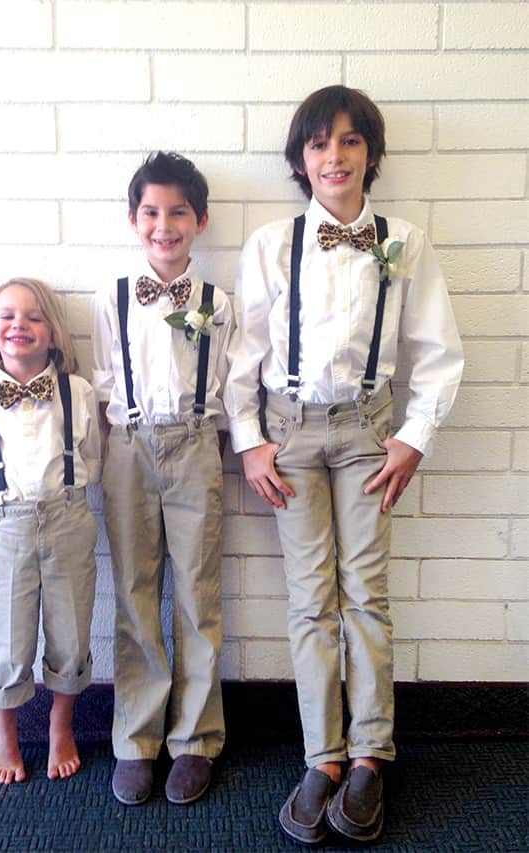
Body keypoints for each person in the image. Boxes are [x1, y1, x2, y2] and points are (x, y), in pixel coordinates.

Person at [224, 86, 463, 844]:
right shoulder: (271, 244)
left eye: (351, 140)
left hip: (367, 431)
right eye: (320, 142)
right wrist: (249, 438)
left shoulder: (404, 242)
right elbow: (244, 352)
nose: (335, 156)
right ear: (301, 158)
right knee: (309, 599)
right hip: (288, 434)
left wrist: (414, 436)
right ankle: (321, 756)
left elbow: (437, 350)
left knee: (366, 592)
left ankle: (369, 755)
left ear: (371, 153)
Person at [92, 151, 233, 806]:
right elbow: (104, 383)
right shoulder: (112, 297)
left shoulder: (217, 304)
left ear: (200, 220)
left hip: (196, 444)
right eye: (151, 211)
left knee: (198, 593)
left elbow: (224, 379)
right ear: (133, 219)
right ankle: (136, 738)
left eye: (179, 212)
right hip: (129, 447)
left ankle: (196, 737)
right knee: (134, 592)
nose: (164, 225)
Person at [0, 278, 101, 785]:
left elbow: (92, 460)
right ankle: (4, 728)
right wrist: (1, 511)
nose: (19, 325)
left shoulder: (78, 393)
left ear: (54, 333)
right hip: (8, 525)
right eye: (7, 317)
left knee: (71, 632)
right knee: (8, 637)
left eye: (34, 316)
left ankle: (61, 725)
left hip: (68, 519)